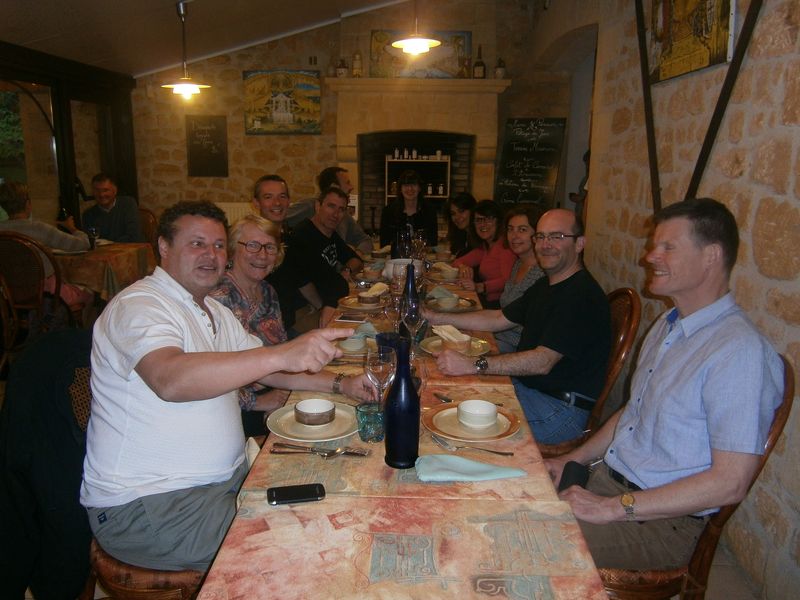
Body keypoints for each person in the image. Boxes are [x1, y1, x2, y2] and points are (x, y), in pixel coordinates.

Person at [80, 200, 355, 571]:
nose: (211, 255)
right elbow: (169, 379)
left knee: (336, 500)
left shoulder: (214, 311)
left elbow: (271, 370)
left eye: (219, 245)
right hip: (152, 505)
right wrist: (281, 354)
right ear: (164, 247)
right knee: (306, 555)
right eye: (197, 243)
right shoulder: (140, 305)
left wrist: (345, 385)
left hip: (224, 483)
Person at [545, 198, 783, 571]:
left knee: (528, 539)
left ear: (711, 256)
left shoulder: (738, 351)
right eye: (654, 245)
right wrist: (572, 459)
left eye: (667, 247)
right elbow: (634, 412)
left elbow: (730, 482)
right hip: (607, 482)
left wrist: (613, 507)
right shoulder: (669, 325)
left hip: (661, 523)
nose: (650, 256)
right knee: (497, 499)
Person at [423, 208, 611, 444]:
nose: (545, 244)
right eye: (541, 236)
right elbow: (497, 319)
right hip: (530, 389)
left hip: (558, 410)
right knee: (440, 396)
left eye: (557, 236)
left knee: (449, 420)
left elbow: (542, 361)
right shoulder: (547, 285)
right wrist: (435, 317)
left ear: (580, 243)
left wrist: (474, 364)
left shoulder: (580, 295)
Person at [209, 214, 374, 436]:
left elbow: (282, 353)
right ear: (232, 249)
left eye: (270, 247)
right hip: (236, 408)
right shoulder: (220, 299)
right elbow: (213, 375)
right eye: (252, 245)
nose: (262, 255)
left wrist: (345, 384)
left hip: (276, 382)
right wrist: (257, 403)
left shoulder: (267, 291)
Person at [0, 181, 94, 308]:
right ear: (28, 204)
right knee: (91, 294)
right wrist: (73, 229)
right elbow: (83, 244)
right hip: (48, 295)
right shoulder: (39, 228)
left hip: (12, 296)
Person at [251, 174, 323, 333]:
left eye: (282, 196)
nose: (277, 203)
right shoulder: (252, 244)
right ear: (256, 202)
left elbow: (302, 280)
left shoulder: (289, 240)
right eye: (268, 197)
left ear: (289, 201)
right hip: (267, 329)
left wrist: (322, 308)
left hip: (291, 317)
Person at [283, 187, 363, 328]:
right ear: (318, 206)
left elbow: (356, 260)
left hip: (328, 302)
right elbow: (308, 282)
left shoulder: (330, 234)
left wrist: (346, 270)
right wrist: (323, 306)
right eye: (331, 206)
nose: (335, 214)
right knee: (356, 330)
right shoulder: (302, 236)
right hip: (303, 311)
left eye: (341, 209)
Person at [285, 166, 373, 254]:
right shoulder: (310, 205)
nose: (352, 187)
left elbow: (365, 240)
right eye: (347, 183)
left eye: (341, 209)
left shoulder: (344, 215)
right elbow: (280, 219)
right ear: (334, 187)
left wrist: (357, 254)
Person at [495, 205, 545, 352]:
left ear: (537, 234)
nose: (514, 236)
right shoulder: (519, 263)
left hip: (518, 347)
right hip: (500, 336)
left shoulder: (542, 272)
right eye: (510, 229)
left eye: (522, 230)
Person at [451, 200, 516, 308]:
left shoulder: (505, 247)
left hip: (499, 306)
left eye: (489, 219)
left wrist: (480, 287)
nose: (483, 224)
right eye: (478, 220)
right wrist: (463, 267)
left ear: (499, 222)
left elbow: (508, 281)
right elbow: (456, 262)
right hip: (487, 302)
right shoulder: (485, 247)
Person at [379, 170, 438, 251]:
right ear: (400, 189)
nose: (410, 188)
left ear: (419, 188)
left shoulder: (430, 211)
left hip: (422, 256)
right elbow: (384, 244)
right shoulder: (388, 211)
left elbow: (433, 243)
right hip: (395, 257)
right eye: (406, 185)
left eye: (414, 184)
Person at [81, 173, 144, 242]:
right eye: (97, 190)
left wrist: (111, 243)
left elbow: (134, 236)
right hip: (105, 249)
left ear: (115, 191)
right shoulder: (88, 214)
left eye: (105, 190)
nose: (101, 194)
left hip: (131, 247)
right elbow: (90, 241)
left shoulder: (128, 204)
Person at [445, 192, 477, 257]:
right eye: (453, 213)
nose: (457, 217)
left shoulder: (480, 236)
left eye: (461, 211)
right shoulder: (460, 234)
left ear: (472, 211)